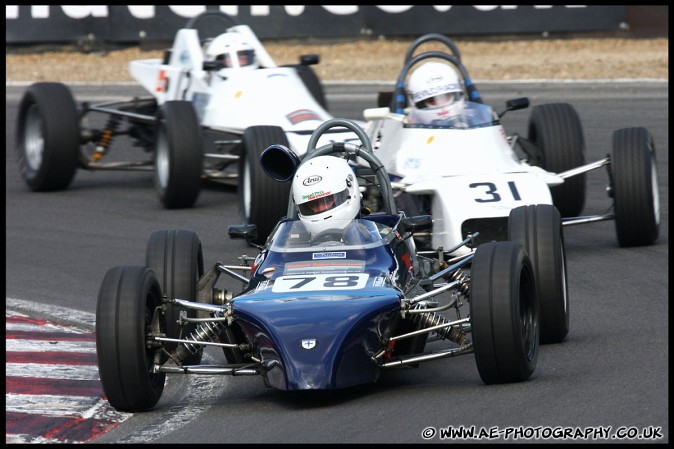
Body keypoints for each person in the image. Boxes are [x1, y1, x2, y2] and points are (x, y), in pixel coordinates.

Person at [291, 155, 378, 244]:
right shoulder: (293, 243)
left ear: (350, 191)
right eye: (313, 205)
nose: (322, 209)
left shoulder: (376, 237)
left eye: (328, 200)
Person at [405, 62, 495, 128]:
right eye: (432, 100)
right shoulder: (410, 128)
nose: (442, 107)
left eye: (446, 97)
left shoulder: (476, 121)